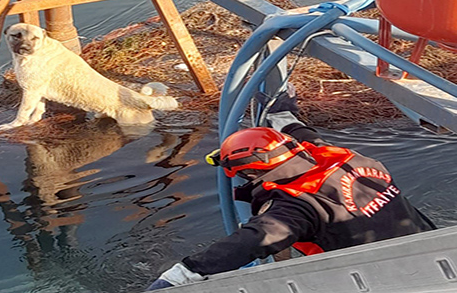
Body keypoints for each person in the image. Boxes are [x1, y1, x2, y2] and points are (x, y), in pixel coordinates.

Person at [147, 91, 436, 290]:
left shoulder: (298, 206)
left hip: (382, 277)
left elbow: (251, 241)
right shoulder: (345, 158)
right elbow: (304, 136)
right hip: (432, 247)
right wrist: (283, 114)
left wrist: (184, 273)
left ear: (249, 173)